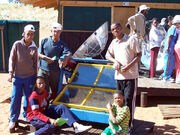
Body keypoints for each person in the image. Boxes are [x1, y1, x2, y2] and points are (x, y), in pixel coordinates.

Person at [105, 22, 141, 133]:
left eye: (117, 28)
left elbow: (139, 54)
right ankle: (119, 125)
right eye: (112, 29)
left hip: (131, 76)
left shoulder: (131, 40)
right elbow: (107, 55)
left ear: (121, 28)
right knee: (118, 102)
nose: (115, 30)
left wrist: (129, 65)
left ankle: (129, 127)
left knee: (129, 101)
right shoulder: (114, 42)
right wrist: (114, 61)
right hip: (118, 77)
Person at [27, 76, 92, 135]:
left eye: (43, 83)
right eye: (39, 83)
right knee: (51, 126)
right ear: (36, 85)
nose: (42, 85)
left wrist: (62, 90)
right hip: (34, 117)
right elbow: (36, 113)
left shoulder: (45, 92)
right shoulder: (34, 97)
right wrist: (50, 119)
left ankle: (76, 126)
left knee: (61, 107)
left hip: (44, 113)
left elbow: (50, 98)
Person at [8, 24, 38, 133]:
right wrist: (11, 73)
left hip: (29, 77)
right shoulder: (17, 44)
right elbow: (12, 59)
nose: (30, 36)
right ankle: (13, 119)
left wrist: (35, 77)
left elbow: (36, 64)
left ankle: (27, 116)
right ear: (23, 34)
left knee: (28, 98)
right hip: (18, 77)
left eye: (32, 34)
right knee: (15, 98)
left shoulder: (34, 48)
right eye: (28, 34)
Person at [38, 22, 72, 100]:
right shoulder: (44, 41)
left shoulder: (62, 45)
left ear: (60, 32)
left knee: (54, 91)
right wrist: (45, 58)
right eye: (54, 31)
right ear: (51, 31)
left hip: (55, 72)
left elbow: (69, 53)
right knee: (41, 89)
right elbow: (38, 53)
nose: (55, 33)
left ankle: (51, 107)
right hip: (43, 70)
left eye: (57, 31)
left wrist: (65, 59)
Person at [163, 17, 178, 82]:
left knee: (170, 63)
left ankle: (167, 76)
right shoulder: (174, 28)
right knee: (168, 63)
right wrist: (168, 47)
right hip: (169, 48)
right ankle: (166, 77)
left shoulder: (173, 27)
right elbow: (170, 37)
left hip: (170, 48)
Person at [173, 15, 180, 83]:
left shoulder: (177, 29)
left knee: (178, 63)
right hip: (178, 47)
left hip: (177, 47)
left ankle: (178, 78)